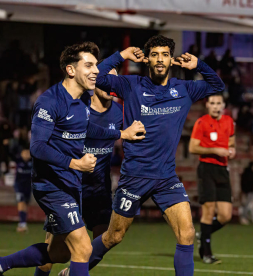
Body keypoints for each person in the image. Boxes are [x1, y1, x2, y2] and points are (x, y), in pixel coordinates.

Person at [66, 35, 225, 276]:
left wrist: (199, 65)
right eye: (154, 55)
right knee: (113, 236)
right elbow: (96, 77)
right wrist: (122, 55)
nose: (159, 60)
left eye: (164, 55)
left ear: (171, 59)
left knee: (187, 233)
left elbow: (217, 86)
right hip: (134, 177)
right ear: (147, 60)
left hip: (166, 178)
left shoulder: (184, 89)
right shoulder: (131, 85)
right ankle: (74, 271)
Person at [0, 42, 145, 276]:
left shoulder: (83, 103)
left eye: (96, 66)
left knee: (59, 253)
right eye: (88, 66)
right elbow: (37, 147)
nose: (96, 71)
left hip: (72, 185)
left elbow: (91, 129)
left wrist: (122, 134)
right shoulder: (50, 101)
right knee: (83, 247)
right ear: (71, 70)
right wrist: (76, 163)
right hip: (51, 185)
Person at [36, 62, 124, 276]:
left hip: (99, 188)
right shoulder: (78, 108)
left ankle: (70, 273)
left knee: (108, 236)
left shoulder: (119, 113)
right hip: (69, 186)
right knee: (55, 250)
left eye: (116, 82)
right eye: (107, 81)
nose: (113, 87)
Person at [189, 93, 235, 264]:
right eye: (212, 103)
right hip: (206, 168)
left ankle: (203, 234)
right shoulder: (201, 122)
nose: (216, 106)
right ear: (207, 105)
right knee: (208, 210)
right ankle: (206, 253)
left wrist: (232, 150)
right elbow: (193, 147)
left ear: (223, 105)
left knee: (225, 216)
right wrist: (216, 150)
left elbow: (231, 142)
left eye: (219, 103)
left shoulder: (229, 122)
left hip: (223, 170)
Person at [13, 148, 32, 233]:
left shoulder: (33, 162)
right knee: (21, 202)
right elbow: (10, 153)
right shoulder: (18, 161)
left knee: (26, 204)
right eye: (24, 153)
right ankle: (22, 223)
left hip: (29, 186)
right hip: (19, 186)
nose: (26, 155)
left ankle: (23, 222)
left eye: (28, 153)